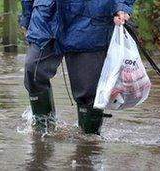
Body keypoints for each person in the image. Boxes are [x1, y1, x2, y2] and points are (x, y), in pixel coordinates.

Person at [20, 0, 135, 134]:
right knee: (33, 70)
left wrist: (122, 7)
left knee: (88, 91)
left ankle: (89, 143)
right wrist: (27, 16)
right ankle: (42, 133)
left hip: (91, 19)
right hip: (47, 16)